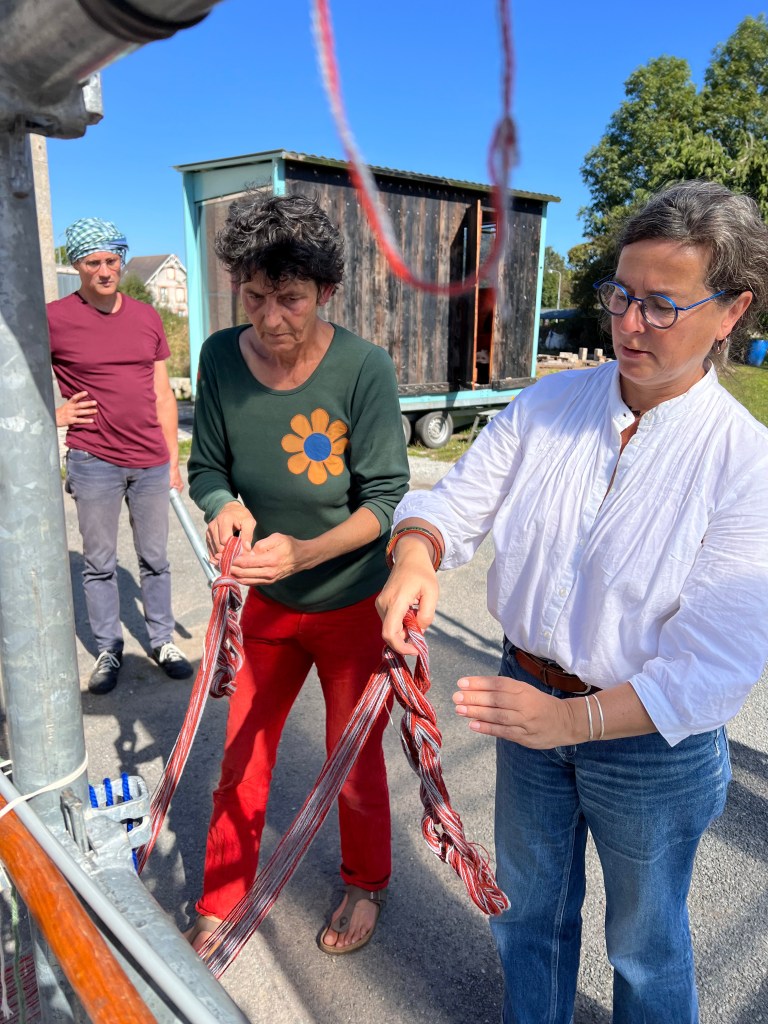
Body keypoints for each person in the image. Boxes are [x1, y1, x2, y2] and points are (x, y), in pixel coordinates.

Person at [377, 180, 768, 1023]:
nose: (629, 324)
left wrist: (574, 721)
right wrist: (416, 555)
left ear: (732, 311)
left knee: (645, 946)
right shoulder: (548, 406)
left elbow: (713, 665)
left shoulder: (745, 463)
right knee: (527, 916)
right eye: (620, 295)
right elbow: (454, 502)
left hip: (649, 744)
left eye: (662, 305)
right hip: (530, 700)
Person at [186, 191, 409, 954]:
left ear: (327, 291)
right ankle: (221, 897)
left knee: (354, 757)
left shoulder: (363, 368)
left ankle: (366, 882)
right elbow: (207, 468)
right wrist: (222, 506)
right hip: (265, 602)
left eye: (290, 299)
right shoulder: (221, 358)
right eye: (253, 297)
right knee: (242, 755)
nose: (271, 319)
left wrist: (308, 551)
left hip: (350, 602)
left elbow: (385, 500)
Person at [48, 217, 193, 695]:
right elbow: (14, 373)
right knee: (99, 563)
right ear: (77, 265)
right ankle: (109, 648)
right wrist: (53, 413)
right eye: (94, 262)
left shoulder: (146, 317)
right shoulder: (53, 318)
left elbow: (163, 394)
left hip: (149, 460)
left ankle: (162, 641)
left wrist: (172, 461)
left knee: (155, 559)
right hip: (94, 460)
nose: (105, 270)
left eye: (112, 260)